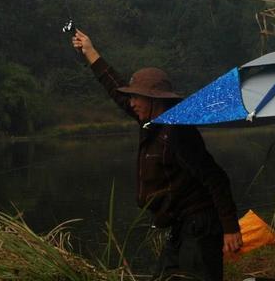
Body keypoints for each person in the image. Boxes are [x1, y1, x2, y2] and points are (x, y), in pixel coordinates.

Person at [72, 30, 241, 281]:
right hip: (182, 226)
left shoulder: (178, 132)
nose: (131, 103)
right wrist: (90, 51)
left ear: (154, 100)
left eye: (136, 97)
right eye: (131, 98)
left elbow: (215, 177)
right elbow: (116, 92)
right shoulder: (151, 123)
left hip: (200, 226)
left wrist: (230, 229)